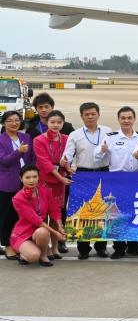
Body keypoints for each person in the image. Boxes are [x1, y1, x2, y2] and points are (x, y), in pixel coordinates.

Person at [62, 102, 111, 259]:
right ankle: (83, 248)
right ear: (82, 116)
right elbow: (68, 154)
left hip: (104, 173)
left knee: (102, 211)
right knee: (82, 211)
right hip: (83, 174)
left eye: (93, 114)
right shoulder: (75, 134)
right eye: (86, 114)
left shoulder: (108, 132)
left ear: (98, 114)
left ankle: (101, 246)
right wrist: (65, 161)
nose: (90, 116)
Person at [98, 106, 138, 259]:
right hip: (117, 180)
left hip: (136, 180)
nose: (126, 121)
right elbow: (96, 156)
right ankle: (119, 247)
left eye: (129, 118)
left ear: (134, 119)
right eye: (123, 118)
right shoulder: (111, 137)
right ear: (118, 120)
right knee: (117, 215)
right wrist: (102, 150)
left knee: (134, 214)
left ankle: (134, 245)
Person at [32, 110, 69, 260]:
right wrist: (61, 176)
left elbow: (69, 157)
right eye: (52, 122)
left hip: (60, 182)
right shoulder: (39, 140)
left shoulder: (66, 138)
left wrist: (68, 167)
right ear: (47, 123)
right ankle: (44, 248)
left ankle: (54, 247)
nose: (55, 125)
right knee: (42, 215)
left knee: (56, 216)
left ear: (63, 124)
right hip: (44, 181)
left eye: (59, 122)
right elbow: (45, 163)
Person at [10, 165, 65, 266]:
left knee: (42, 232)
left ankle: (43, 255)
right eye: (27, 177)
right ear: (21, 179)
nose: (31, 180)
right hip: (23, 233)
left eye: (34, 177)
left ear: (39, 177)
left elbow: (54, 210)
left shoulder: (45, 191)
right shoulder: (17, 198)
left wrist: (60, 226)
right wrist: (55, 233)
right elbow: (36, 221)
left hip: (39, 232)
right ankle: (24, 254)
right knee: (33, 256)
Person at [1, 111, 34, 259]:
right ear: (4, 123)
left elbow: (32, 157)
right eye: (10, 121)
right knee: (8, 216)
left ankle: (20, 243)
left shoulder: (26, 137)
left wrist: (33, 175)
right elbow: (5, 161)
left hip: (26, 183)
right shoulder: (1, 140)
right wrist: (18, 152)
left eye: (16, 120)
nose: (14, 123)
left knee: (23, 217)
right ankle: (7, 245)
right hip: (8, 184)